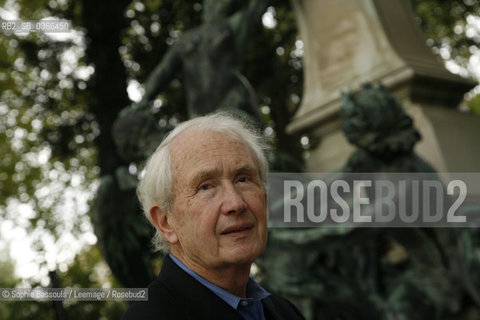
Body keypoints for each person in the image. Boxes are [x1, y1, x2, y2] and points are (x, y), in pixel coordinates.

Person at [122, 113, 305, 320]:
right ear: (166, 223)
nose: (236, 203)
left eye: (243, 179)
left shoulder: (285, 312)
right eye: (206, 187)